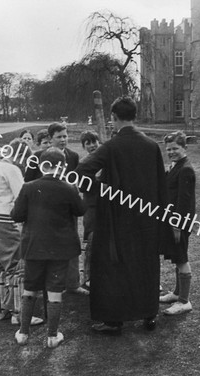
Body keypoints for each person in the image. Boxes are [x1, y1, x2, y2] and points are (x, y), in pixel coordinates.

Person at [75, 96, 167, 335]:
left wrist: (100, 188)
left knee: (113, 266)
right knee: (145, 265)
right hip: (147, 217)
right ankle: (148, 315)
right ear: (134, 116)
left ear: (114, 118)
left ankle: (114, 320)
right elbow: (161, 185)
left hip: (116, 218)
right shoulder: (151, 145)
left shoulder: (112, 146)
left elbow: (82, 171)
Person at [11, 148, 86, 348]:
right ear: (62, 166)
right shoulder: (69, 188)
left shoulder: (28, 186)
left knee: (30, 288)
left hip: (34, 245)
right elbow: (80, 210)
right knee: (54, 291)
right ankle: (52, 336)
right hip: (60, 248)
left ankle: (23, 333)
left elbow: (16, 215)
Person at [0, 138, 43, 326]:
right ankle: (19, 313)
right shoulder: (12, 169)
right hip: (4, 220)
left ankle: (1, 309)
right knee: (17, 265)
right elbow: (21, 197)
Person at [25, 123, 88, 296]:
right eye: (59, 137)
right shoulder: (37, 157)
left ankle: (73, 283)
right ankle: (47, 286)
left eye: (65, 136)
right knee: (45, 247)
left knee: (72, 244)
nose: (63, 140)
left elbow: (76, 182)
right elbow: (27, 182)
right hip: (44, 213)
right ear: (50, 138)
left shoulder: (73, 156)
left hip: (67, 212)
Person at [159, 132, 195, 315]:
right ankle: (177, 293)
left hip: (179, 222)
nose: (171, 152)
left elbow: (184, 202)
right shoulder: (176, 166)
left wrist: (176, 225)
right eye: (168, 149)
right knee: (176, 256)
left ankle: (184, 301)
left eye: (175, 148)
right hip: (173, 220)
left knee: (181, 258)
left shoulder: (185, 169)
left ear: (184, 148)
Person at [79, 130, 101, 289]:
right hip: (92, 205)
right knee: (92, 240)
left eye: (95, 141)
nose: (93, 145)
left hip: (105, 204)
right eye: (88, 143)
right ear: (84, 146)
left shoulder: (105, 160)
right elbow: (83, 186)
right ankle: (88, 276)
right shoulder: (85, 163)